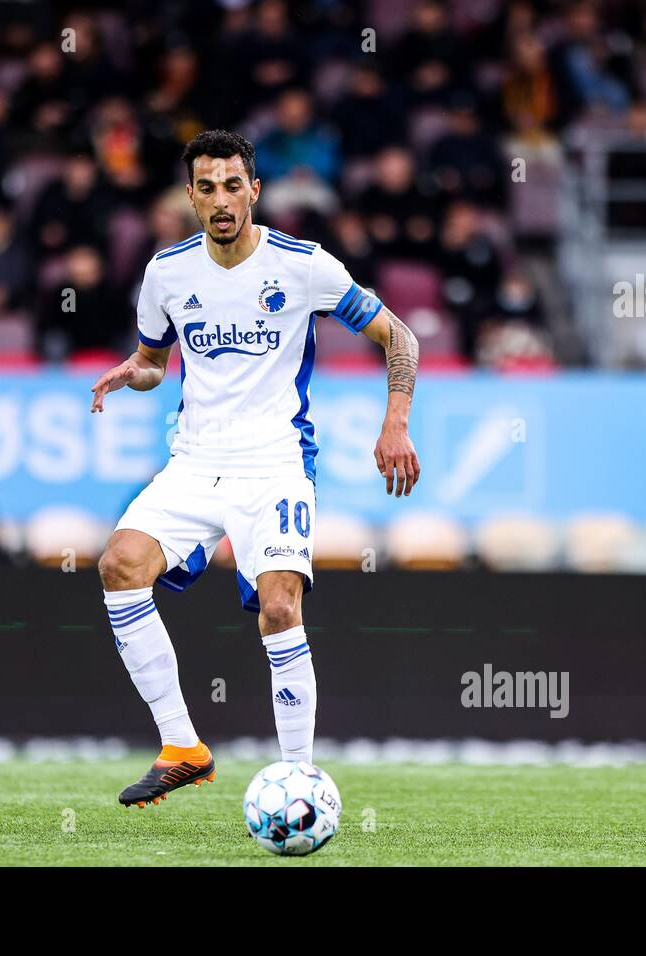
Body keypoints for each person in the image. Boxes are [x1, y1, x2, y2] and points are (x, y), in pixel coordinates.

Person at [89, 130, 421, 808]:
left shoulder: (304, 265)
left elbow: (400, 336)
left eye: (232, 185)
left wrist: (395, 422)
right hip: (195, 461)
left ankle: (299, 778)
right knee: (119, 565)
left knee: (277, 607)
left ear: (255, 190)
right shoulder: (167, 273)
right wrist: (138, 370)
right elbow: (155, 360)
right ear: (189, 196)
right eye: (206, 187)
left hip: (275, 463)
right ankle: (183, 747)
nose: (221, 199)